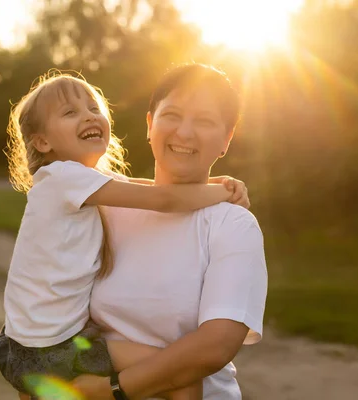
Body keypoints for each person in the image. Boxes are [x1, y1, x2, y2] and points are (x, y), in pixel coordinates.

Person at [0, 70, 248, 400]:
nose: (88, 116)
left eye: (93, 108)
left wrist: (214, 184)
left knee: (169, 373)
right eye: (71, 112)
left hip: (25, 346)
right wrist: (225, 193)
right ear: (43, 142)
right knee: (180, 377)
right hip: (53, 350)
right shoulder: (64, 178)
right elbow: (164, 199)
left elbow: (142, 187)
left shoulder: (73, 179)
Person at [72, 63, 268, 400]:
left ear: (226, 140)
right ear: (150, 124)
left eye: (205, 121)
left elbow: (215, 346)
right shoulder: (102, 205)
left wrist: (112, 391)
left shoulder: (233, 225)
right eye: (172, 114)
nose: (185, 133)